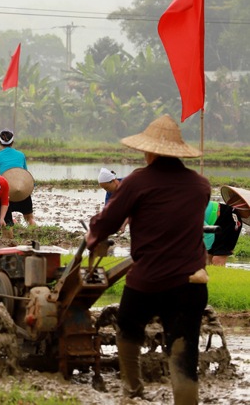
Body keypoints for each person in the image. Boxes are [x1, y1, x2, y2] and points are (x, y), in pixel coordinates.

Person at [87, 114, 209, 404]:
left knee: (128, 329)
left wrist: (94, 234)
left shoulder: (139, 181)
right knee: (184, 351)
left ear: (150, 150)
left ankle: (132, 391)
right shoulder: (201, 185)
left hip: (149, 280)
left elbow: (110, 220)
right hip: (191, 282)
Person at [0, 129, 35, 226]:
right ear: (13, 142)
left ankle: (11, 222)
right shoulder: (20, 155)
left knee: (6, 217)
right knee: (29, 218)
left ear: (0, 143)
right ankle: (35, 231)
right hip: (22, 189)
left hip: (7, 191)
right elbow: (25, 173)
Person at [204, 194, 243, 266]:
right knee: (208, 257)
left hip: (229, 218)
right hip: (215, 220)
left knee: (218, 256)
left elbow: (209, 234)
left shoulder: (188, 215)